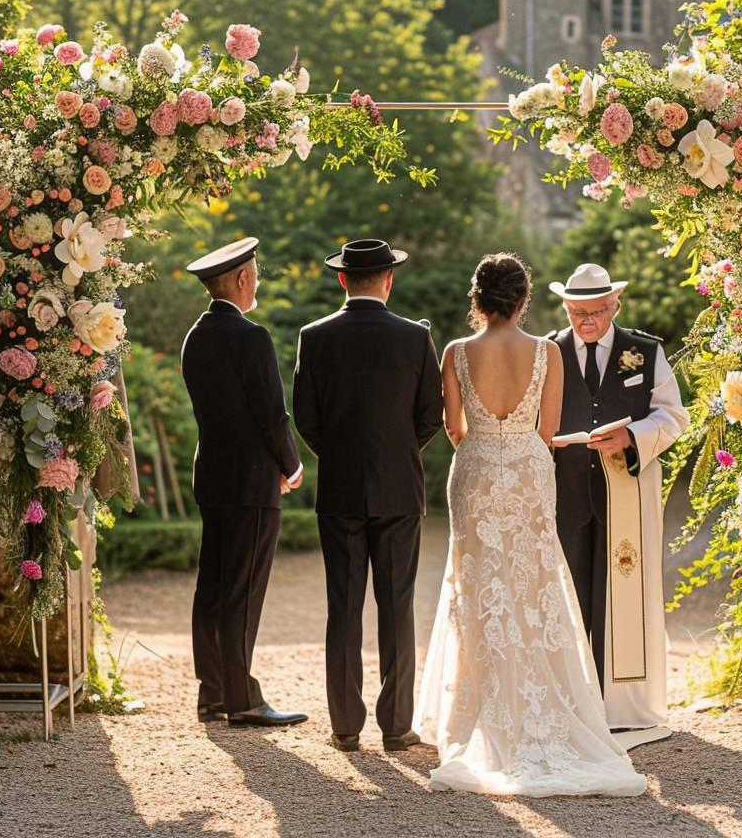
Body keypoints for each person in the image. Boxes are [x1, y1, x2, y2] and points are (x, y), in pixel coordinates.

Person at [414, 253, 645, 797]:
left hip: (472, 472)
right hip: (528, 470)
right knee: (531, 583)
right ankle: (539, 706)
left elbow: (454, 427)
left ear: (478, 300)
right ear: (522, 300)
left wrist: (484, 452)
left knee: (476, 587)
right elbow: (547, 429)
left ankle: (480, 712)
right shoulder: (548, 352)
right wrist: (514, 452)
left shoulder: (455, 352)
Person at [292, 239, 443, 753]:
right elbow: (431, 416)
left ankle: (345, 727)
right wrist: (397, 453)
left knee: (344, 606)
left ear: (342, 280)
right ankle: (397, 728)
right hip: (399, 489)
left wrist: (339, 458)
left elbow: (306, 419)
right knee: (397, 607)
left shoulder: (313, 338)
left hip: (339, 491)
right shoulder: (414, 338)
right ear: (389, 280)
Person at [548, 263, 690, 741]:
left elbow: (673, 417)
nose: (584, 321)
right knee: (568, 598)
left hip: (624, 492)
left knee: (620, 596)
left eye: (594, 312)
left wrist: (630, 435)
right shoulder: (547, 351)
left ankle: (620, 704)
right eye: (576, 312)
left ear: (615, 305)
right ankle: (571, 702)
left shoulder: (646, 351)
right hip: (563, 494)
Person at [181, 237, 308, 728]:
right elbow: (271, 414)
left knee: (212, 584)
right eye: (254, 273)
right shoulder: (251, 337)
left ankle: (212, 692)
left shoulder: (196, 336)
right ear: (241, 280)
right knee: (243, 588)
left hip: (211, 474)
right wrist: (292, 465)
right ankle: (242, 697)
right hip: (253, 479)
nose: (256, 280)